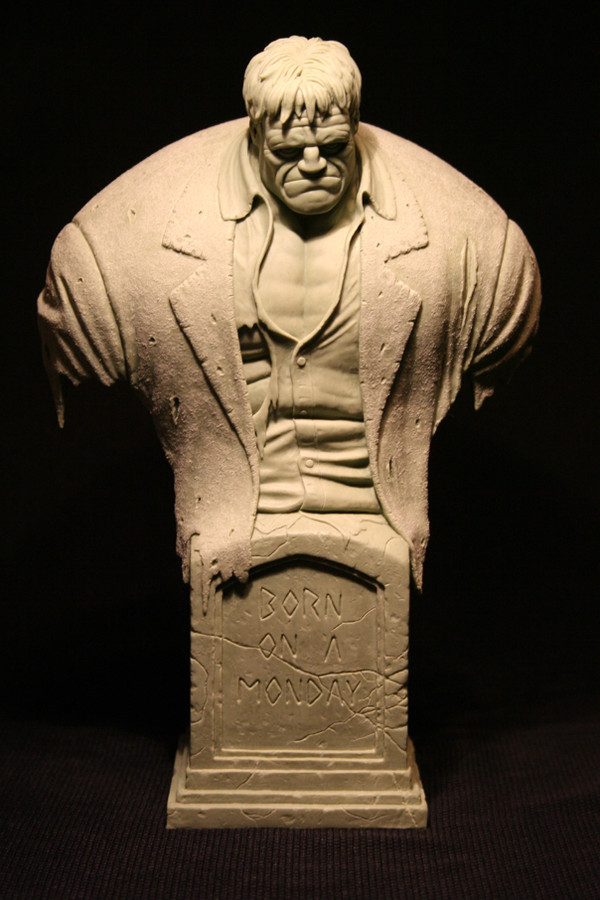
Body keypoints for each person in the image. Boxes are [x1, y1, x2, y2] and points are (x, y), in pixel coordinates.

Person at [38, 36, 541, 592]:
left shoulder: (474, 242)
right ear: (254, 134)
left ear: (355, 127)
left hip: (381, 542)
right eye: (288, 151)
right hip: (226, 546)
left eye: (334, 146)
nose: (313, 165)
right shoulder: (118, 244)